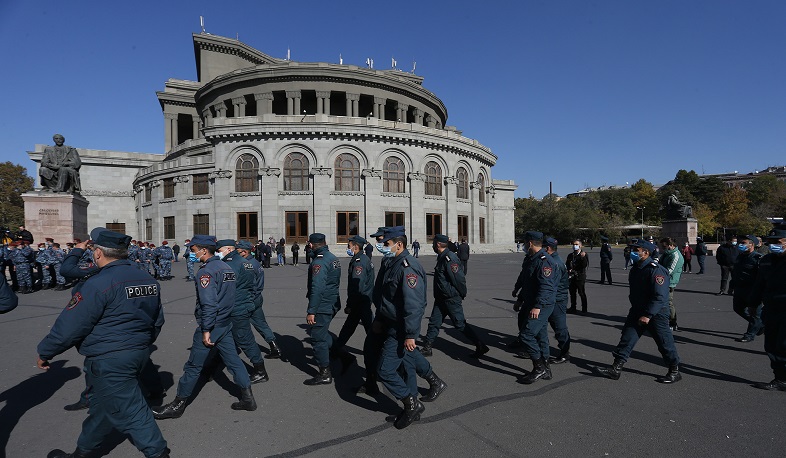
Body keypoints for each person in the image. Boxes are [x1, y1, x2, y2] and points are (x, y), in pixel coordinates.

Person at [37, 228, 170, 458]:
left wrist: (46, 351)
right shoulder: (147, 278)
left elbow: (71, 325)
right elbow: (157, 319)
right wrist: (141, 344)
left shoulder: (99, 283)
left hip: (110, 358)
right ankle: (83, 452)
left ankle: (158, 453)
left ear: (98, 253)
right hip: (138, 352)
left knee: (134, 412)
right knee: (102, 407)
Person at [153, 235, 257, 420]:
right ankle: (248, 398)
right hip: (225, 322)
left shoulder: (206, 272)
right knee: (233, 361)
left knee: (193, 365)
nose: (192, 255)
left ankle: (178, 404)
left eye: (193, 251)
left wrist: (206, 329)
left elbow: (209, 303)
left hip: (212, 324)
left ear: (203, 250)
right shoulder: (226, 267)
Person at [375, 226, 440, 429]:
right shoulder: (394, 262)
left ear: (399, 244)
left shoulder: (407, 266)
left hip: (401, 328)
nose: (383, 246)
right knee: (408, 364)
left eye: (386, 243)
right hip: (392, 323)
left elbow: (413, 304)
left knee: (385, 370)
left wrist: (411, 334)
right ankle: (418, 398)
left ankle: (411, 404)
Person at [596, 239, 682, 384]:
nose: (632, 252)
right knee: (627, 338)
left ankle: (674, 370)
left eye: (636, 250)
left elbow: (660, 296)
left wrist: (648, 315)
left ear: (646, 253)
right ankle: (616, 368)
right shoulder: (636, 267)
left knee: (664, 343)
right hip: (637, 310)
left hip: (656, 314)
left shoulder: (656, 270)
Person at [421, 234, 488, 358]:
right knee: (434, 323)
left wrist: (462, 293)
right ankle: (427, 347)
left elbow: (459, 279)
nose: (432, 246)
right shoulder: (442, 257)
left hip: (451, 298)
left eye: (433, 243)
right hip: (441, 298)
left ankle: (480, 345)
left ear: (438, 244)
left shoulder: (449, 258)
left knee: (460, 324)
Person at [216, 239, 269, 383]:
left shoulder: (230, 264)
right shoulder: (246, 262)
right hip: (243, 304)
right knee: (225, 339)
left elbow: (225, 288)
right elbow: (253, 286)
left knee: (245, 340)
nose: (217, 253)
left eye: (219, 250)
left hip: (235, 307)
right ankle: (211, 367)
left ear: (228, 249)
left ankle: (260, 371)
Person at [511, 231, 557, 384]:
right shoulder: (531, 259)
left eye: (524, 242)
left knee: (526, 335)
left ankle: (539, 368)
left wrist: (537, 306)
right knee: (541, 336)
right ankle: (546, 368)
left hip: (542, 304)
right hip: (532, 301)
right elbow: (527, 282)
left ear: (529, 243)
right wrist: (520, 299)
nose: (524, 245)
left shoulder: (545, 261)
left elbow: (546, 288)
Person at [749, 225, 786, 391]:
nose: (772, 245)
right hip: (771, 309)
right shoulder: (766, 261)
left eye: (777, 242)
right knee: (771, 345)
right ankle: (780, 379)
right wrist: (753, 304)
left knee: (783, 345)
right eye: (770, 242)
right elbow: (759, 284)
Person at [304, 233, 342, 385]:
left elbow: (317, 288)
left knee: (317, 337)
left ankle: (324, 373)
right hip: (332, 301)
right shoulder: (332, 257)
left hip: (323, 304)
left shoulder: (319, 262)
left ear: (311, 245)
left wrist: (311, 310)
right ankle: (341, 354)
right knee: (322, 332)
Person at [236, 241, 281, 359]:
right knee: (261, 323)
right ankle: (274, 346)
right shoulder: (255, 262)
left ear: (244, 252)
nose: (236, 254)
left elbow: (247, 285)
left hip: (248, 298)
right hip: (257, 297)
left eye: (238, 252)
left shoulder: (246, 265)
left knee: (236, 324)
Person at [333, 236, 374, 359]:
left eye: (349, 245)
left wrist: (350, 305)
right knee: (349, 327)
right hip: (362, 300)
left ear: (355, 246)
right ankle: (337, 348)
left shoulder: (359, 261)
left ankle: (380, 352)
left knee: (370, 329)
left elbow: (357, 285)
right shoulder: (362, 258)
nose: (348, 248)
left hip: (360, 301)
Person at [731, 235, 764, 343]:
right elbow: (736, 272)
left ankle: (749, 335)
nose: (740, 245)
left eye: (743, 243)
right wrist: (731, 286)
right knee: (738, 309)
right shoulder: (740, 256)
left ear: (752, 245)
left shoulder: (758, 258)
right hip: (739, 289)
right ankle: (760, 325)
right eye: (740, 242)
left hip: (752, 290)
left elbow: (762, 277)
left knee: (755, 314)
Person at [544, 237, 571, 364]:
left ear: (548, 248)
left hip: (557, 300)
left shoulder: (555, 263)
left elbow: (552, 284)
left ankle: (565, 353)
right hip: (553, 298)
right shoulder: (553, 260)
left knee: (559, 327)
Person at [659, 237, 684, 331]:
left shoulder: (676, 256)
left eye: (664, 246)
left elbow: (670, 271)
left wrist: (657, 275)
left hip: (669, 282)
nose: (663, 248)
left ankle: (673, 322)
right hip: (662, 280)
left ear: (671, 245)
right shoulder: (667, 253)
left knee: (668, 302)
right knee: (661, 301)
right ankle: (662, 320)